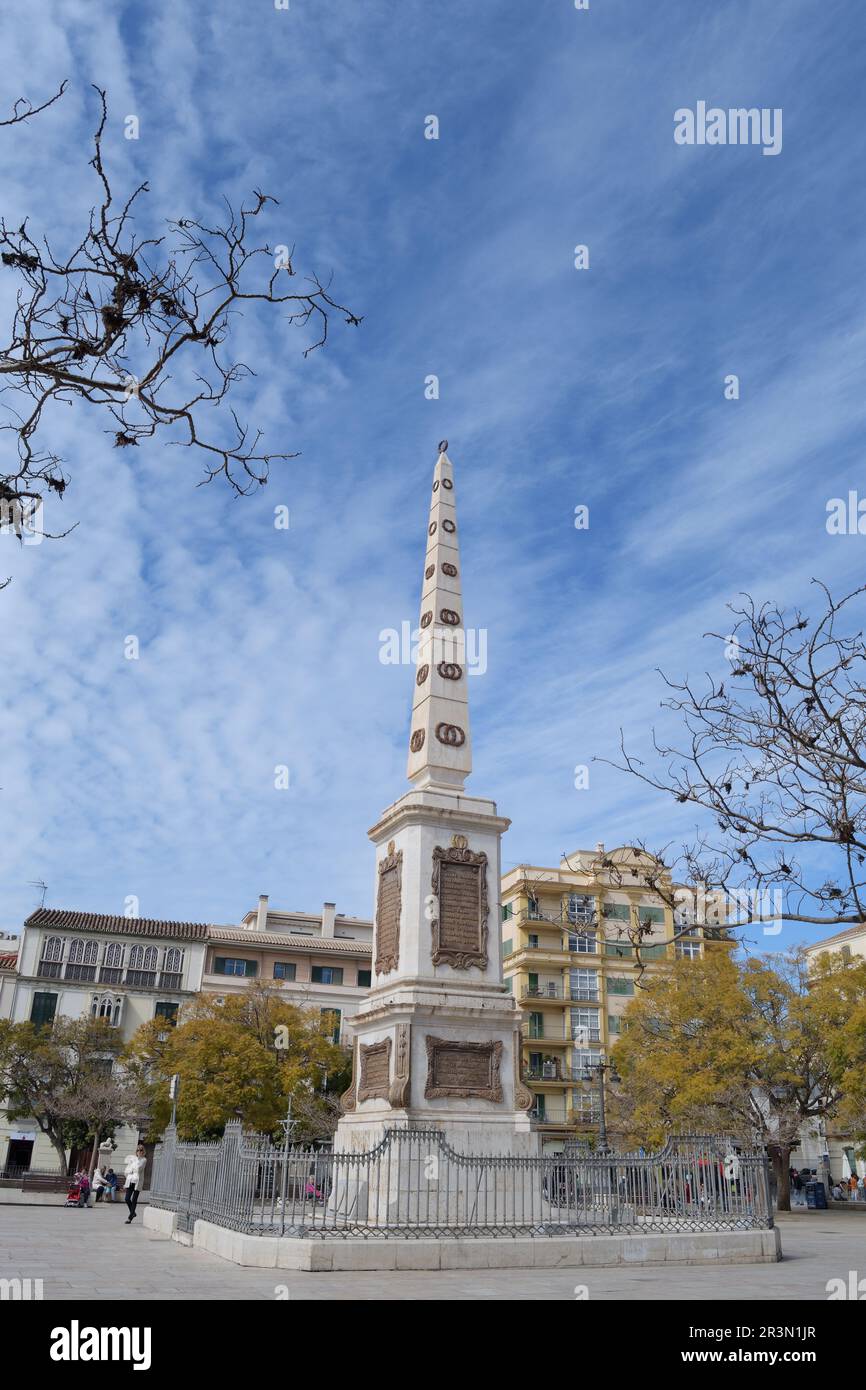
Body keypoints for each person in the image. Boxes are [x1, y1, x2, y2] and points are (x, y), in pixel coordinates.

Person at [124, 1145, 147, 1224]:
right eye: (138, 1150)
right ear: (136, 1151)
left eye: (141, 1150)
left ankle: (130, 1218)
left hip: (137, 1181)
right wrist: (131, 1169)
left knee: (134, 1200)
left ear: (143, 1151)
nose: (139, 1152)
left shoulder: (144, 1160)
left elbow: (139, 1169)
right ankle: (133, 1213)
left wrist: (132, 1168)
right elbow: (126, 1171)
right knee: (127, 1199)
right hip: (130, 1180)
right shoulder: (132, 1159)